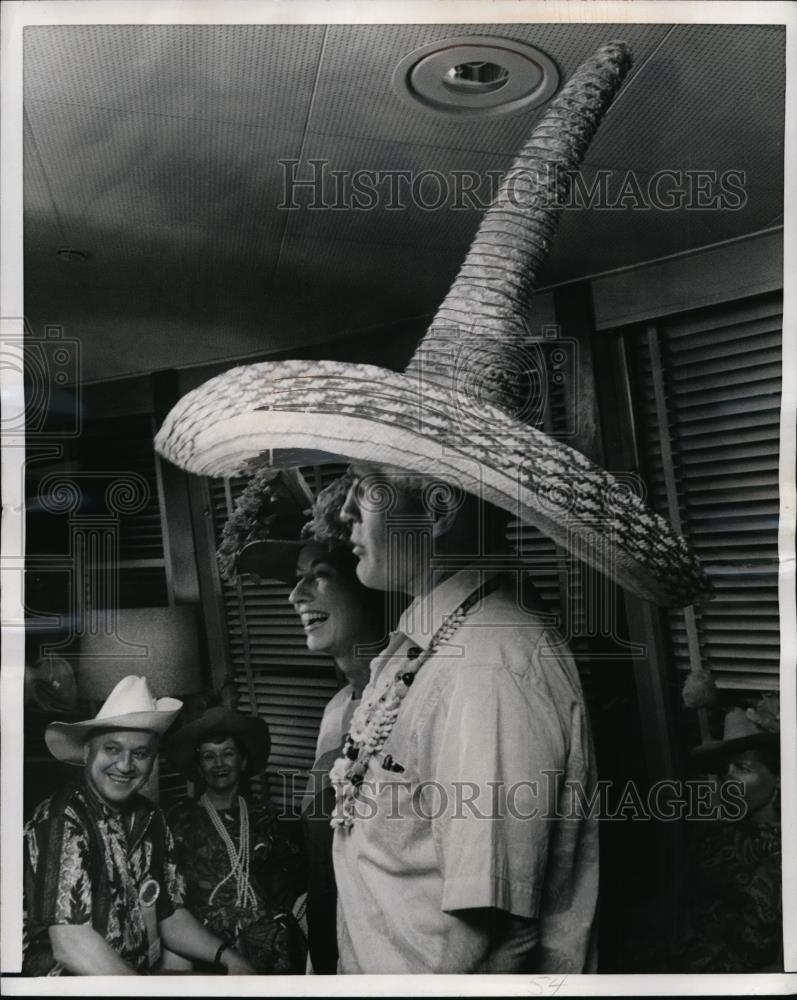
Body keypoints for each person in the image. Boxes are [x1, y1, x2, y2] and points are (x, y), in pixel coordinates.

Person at [155, 42, 711, 972]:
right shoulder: (420, 651)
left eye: (370, 492)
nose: (346, 517)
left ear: (440, 510)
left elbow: (487, 935)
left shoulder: (490, 662)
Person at [230, 470, 394, 972]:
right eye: (294, 580)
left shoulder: (418, 700)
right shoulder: (336, 711)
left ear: (369, 584)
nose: (294, 597)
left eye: (319, 574)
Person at [22, 675, 255, 976]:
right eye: (112, 749)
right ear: (86, 752)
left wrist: (227, 957)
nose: (125, 765)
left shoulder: (153, 818)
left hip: (132, 977)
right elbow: (70, 943)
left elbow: (169, 915)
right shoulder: (60, 820)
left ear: (153, 760)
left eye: (140, 753)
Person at [167, 705, 306, 973]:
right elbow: (172, 901)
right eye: (209, 756)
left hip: (270, 936)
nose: (219, 764)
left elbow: (291, 881)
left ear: (242, 761)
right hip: (208, 943)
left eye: (227, 754)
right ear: (198, 766)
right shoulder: (181, 821)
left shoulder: (265, 815)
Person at [668, 694, 782, 973]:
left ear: (778, 776)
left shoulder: (783, 852)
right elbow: (682, 902)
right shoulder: (714, 827)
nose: (727, 780)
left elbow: (758, 948)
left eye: (742, 768)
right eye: (723, 771)